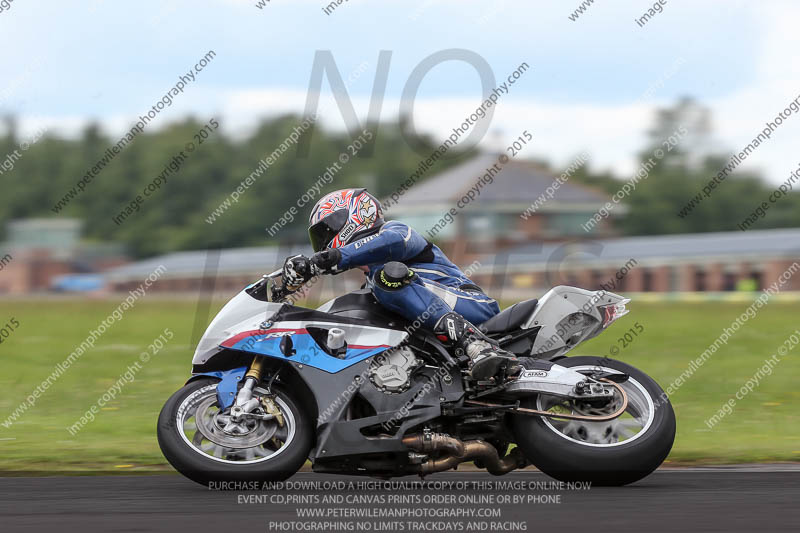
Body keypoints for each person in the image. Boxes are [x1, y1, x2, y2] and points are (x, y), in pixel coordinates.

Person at [281, 188, 519, 381]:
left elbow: (391, 243)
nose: (323, 242)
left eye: (326, 230)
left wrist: (328, 259)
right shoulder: (371, 282)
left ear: (351, 217)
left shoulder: (396, 231)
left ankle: (476, 345)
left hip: (472, 304)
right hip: (435, 328)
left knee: (387, 279)